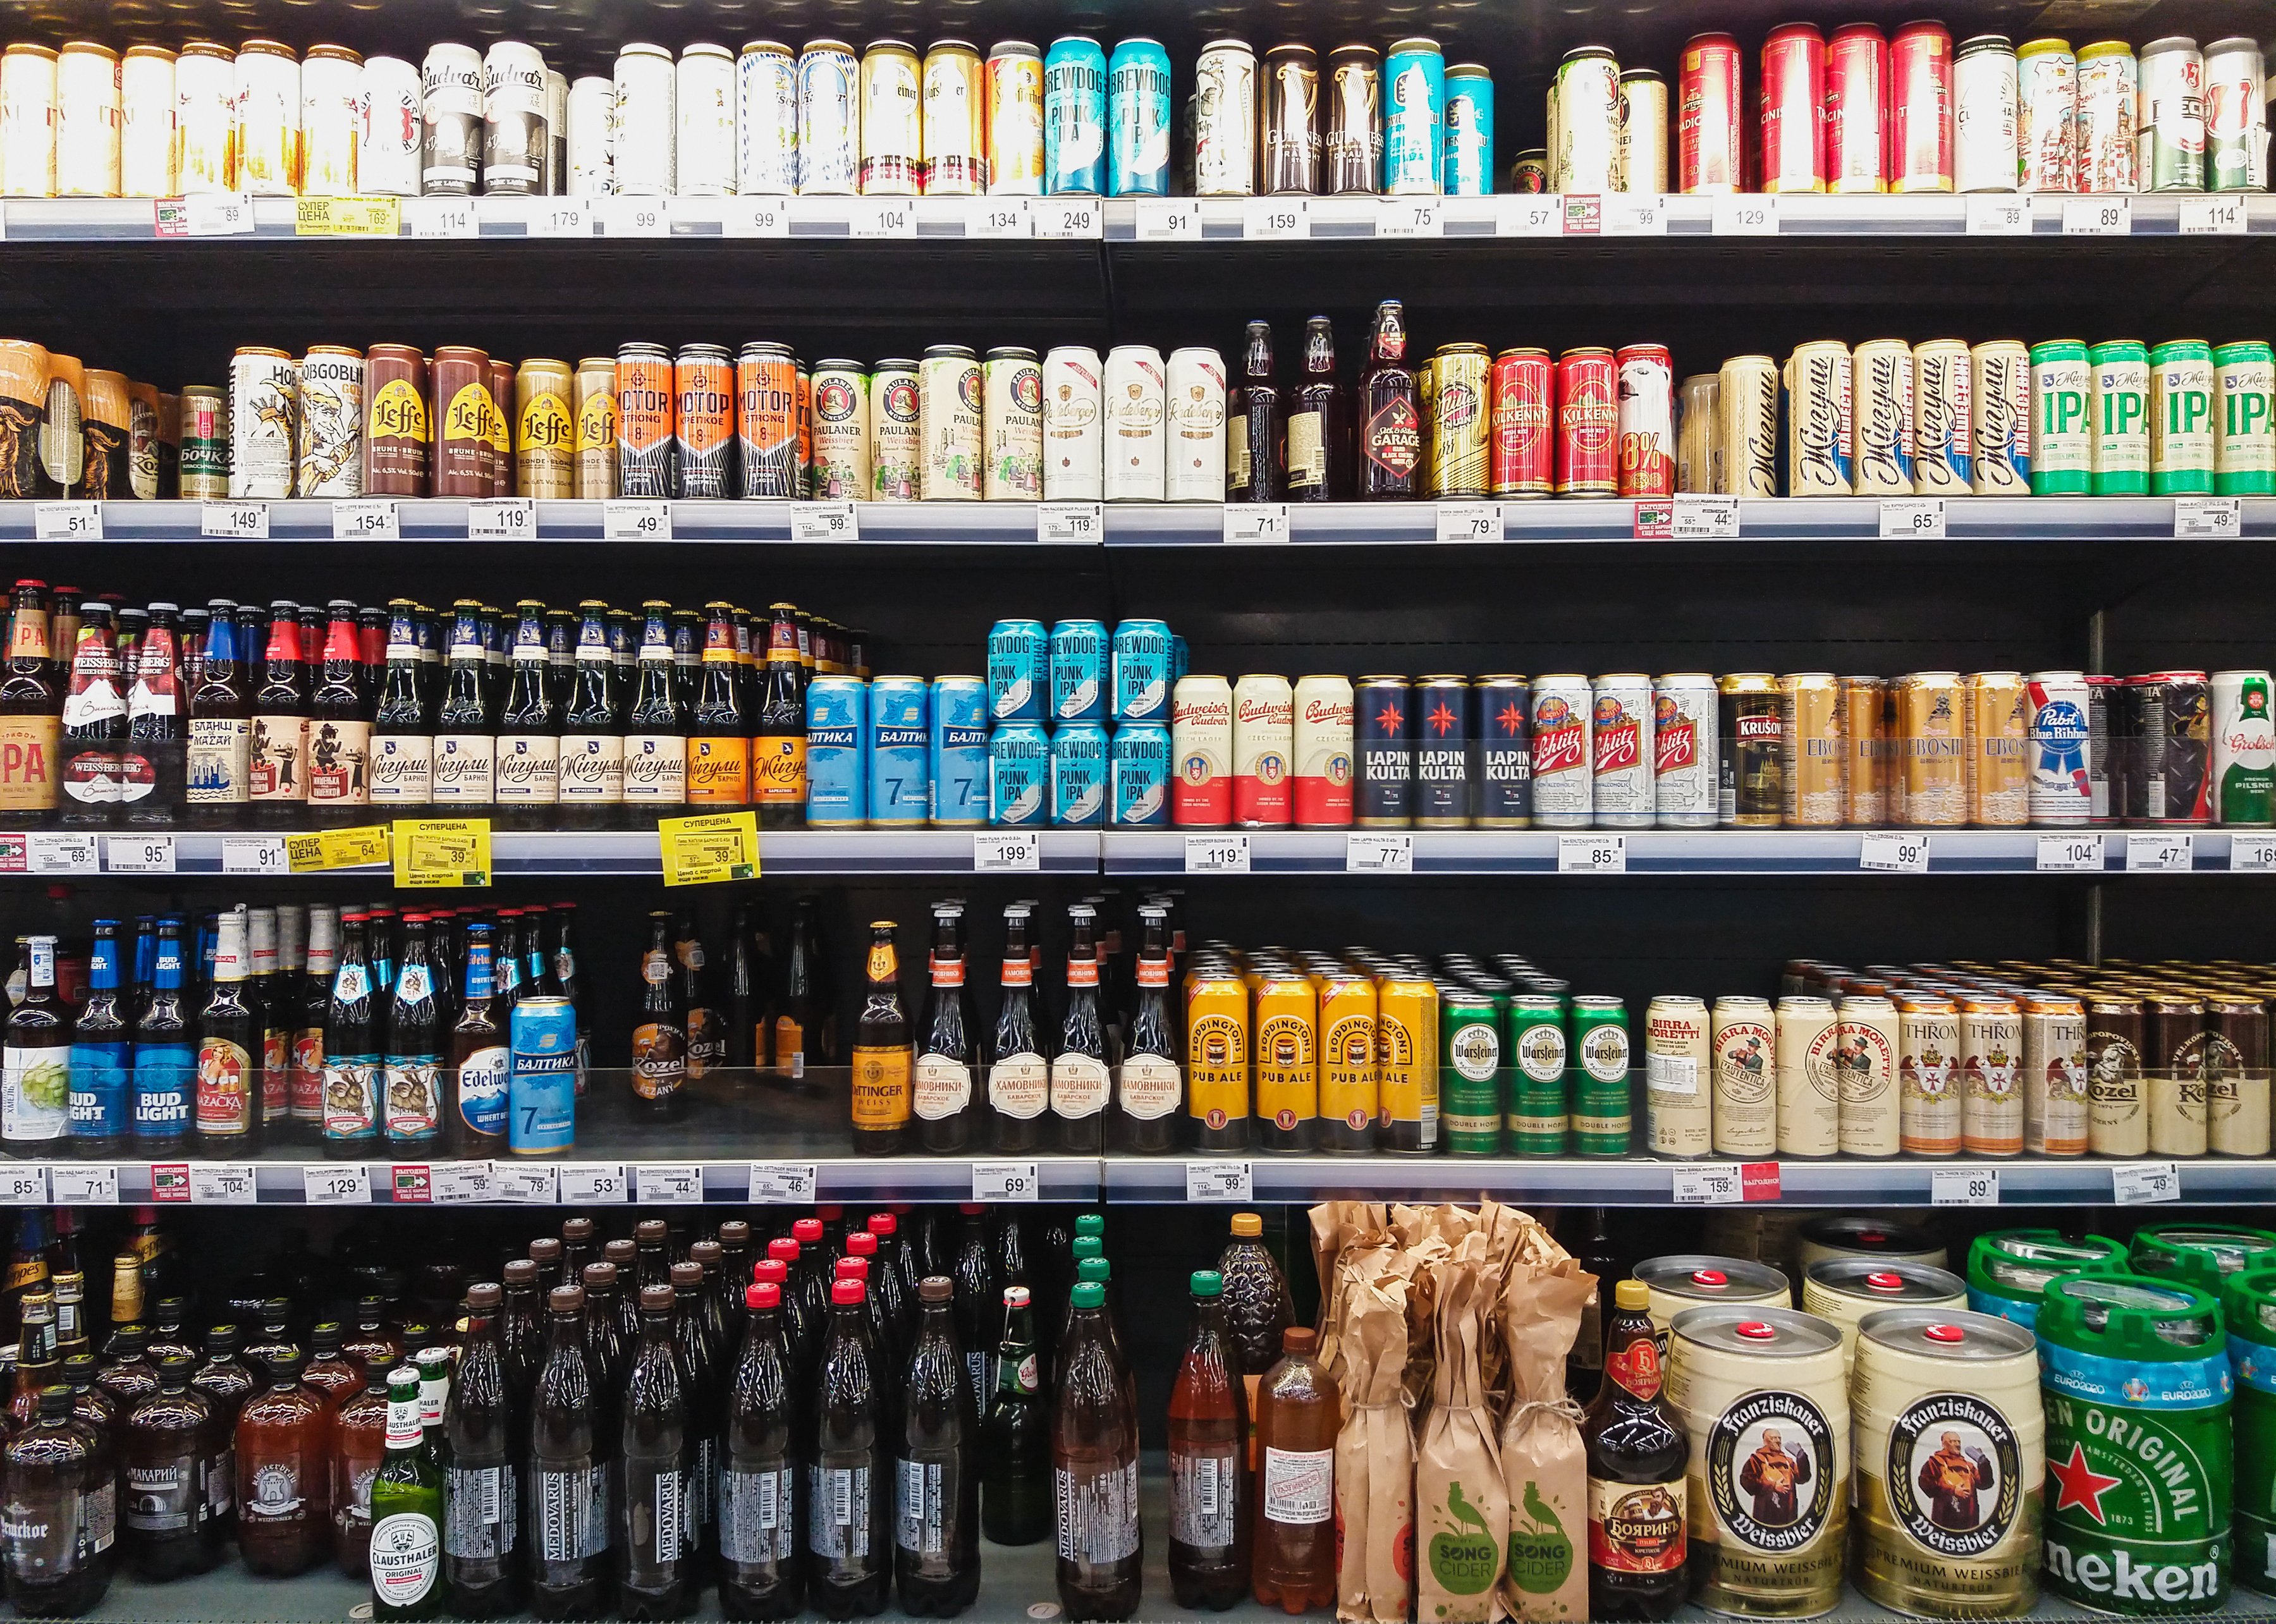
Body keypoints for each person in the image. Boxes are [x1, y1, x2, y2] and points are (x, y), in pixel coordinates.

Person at [1918, 1429, 1996, 1532]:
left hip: (1970, 1520)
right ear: (1944, 1444)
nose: (1957, 1444)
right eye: (1953, 1441)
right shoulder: (1935, 1462)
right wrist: (1953, 1490)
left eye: (1959, 1442)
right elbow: (1926, 1485)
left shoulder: (1969, 1466)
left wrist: (1984, 1463)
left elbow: (1986, 1483)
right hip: (1945, 1519)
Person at [1737, 1426, 1812, 1526]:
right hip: (1766, 1512)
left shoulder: (1788, 1461)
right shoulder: (1757, 1460)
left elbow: (1803, 1478)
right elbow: (1747, 1482)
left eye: (1779, 1438)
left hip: (1789, 1511)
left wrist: (1802, 1458)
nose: (1778, 1441)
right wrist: (1772, 1486)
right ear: (1765, 1441)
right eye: (1773, 1438)